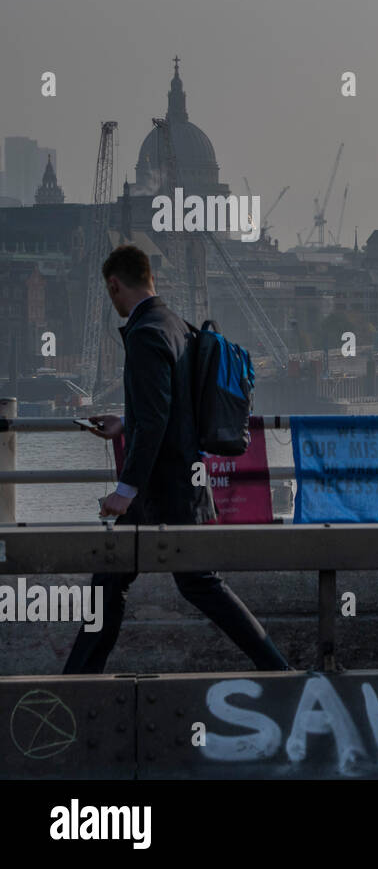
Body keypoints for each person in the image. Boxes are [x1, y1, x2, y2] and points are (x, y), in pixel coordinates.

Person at [64, 245, 290, 674]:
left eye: (109, 291)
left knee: (190, 583)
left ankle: (277, 669)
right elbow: (170, 408)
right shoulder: (176, 324)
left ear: (114, 284)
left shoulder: (145, 332)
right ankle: (78, 680)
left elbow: (156, 419)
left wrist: (124, 491)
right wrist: (126, 422)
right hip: (181, 482)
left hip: (157, 490)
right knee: (121, 583)